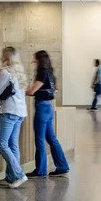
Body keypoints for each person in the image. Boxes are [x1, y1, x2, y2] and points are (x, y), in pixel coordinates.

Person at [0, 46, 28, 188]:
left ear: (6, 58)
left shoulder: (5, 72)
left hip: (9, 111)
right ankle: (12, 177)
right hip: (20, 112)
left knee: (2, 143)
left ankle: (19, 174)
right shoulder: (20, 73)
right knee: (13, 144)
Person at [26, 50, 69, 178]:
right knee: (51, 139)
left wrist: (21, 91)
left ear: (39, 60)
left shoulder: (42, 73)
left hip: (41, 107)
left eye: (35, 58)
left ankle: (40, 170)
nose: (33, 61)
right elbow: (56, 89)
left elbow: (32, 91)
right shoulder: (51, 74)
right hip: (49, 107)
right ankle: (62, 166)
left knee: (39, 140)